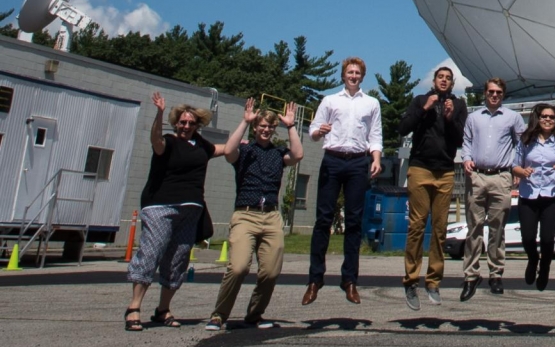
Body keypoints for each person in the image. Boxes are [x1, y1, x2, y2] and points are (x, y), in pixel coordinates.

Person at [126, 93, 227, 331]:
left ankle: (163, 309)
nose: (186, 126)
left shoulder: (202, 145)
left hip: (190, 210)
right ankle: (134, 307)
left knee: (178, 260)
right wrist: (159, 113)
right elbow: (156, 141)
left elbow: (225, 148)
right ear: (175, 123)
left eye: (191, 123)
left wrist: (245, 134)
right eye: (182, 122)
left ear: (197, 125)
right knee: (151, 252)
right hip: (161, 206)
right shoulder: (168, 142)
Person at [206, 98, 304, 331]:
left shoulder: (279, 153)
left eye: (270, 127)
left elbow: (298, 155)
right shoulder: (244, 150)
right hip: (245, 215)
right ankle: (219, 314)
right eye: (262, 126)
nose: (266, 130)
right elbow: (228, 152)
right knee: (238, 267)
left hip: (270, 216)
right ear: (255, 126)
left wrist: (290, 126)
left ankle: (255, 314)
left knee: (270, 271)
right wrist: (244, 121)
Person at [303, 57, 383, 306]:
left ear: (362, 76)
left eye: (358, 72)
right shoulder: (330, 101)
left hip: (358, 162)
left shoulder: (371, 103)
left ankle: (349, 281)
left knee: (354, 222)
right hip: (333, 160)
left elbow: (375, 134)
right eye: (350, 72)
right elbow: (313, 130)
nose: (353, 75)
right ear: (343, 75)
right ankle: (315, 279)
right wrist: (319, 131)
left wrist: (376, 158)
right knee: (323, 220)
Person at [398, 66, 465, 310]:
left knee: (439, 228)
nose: (444, 81)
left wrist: (449, 118)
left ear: (452, 82)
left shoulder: (459, 105)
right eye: (440, 77)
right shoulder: (420, 100)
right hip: (420, 168)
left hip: (445, 170)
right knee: (416, 225)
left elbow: (459, 139)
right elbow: (403, 127)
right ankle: (411, 280)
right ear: (435, 80)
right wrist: (424, 109)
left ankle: (434, 282)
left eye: (448, 78)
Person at [459, 78, 523, 301]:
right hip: (477, 176)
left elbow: (521, 144)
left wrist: (516, 169)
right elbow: (466, 141)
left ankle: (495, 273)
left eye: (498, 92)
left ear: (503, 94)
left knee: (497, 228)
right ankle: (470, 275)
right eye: (490, 92)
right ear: (484, 93)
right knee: (473, 227)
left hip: (501, 177)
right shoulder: (473, 118)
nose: (494, 95)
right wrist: (466, 158)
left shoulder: (513, 118)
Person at [511, 103, 555, 291]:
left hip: (551, 195)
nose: (548, 120)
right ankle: (533, 259)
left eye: (552, 117)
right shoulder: (526, 140)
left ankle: (545, 267)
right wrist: (522, 172)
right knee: (527, 237)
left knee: (547, 239)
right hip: (529, 194)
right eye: (544, 116)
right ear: (538, 118)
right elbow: (514, 165)